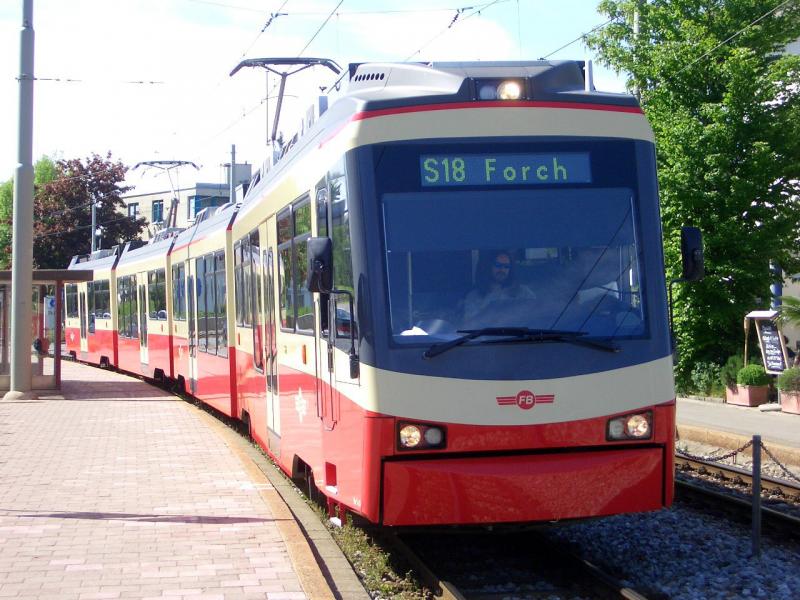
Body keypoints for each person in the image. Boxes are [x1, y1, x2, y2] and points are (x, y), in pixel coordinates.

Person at [463, 251, 535, 323]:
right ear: (489, 266)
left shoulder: (524, 292)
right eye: (498, 265)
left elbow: (535, 316)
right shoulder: (474, 297)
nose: (502, 270)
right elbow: (470, 324)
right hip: (485, 334)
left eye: (506, 266)